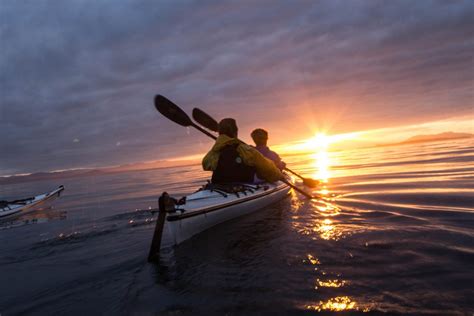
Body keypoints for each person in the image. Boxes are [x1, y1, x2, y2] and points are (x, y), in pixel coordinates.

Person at [202, 118, 283, 184]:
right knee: (262, 171)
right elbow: (268, 168)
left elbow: (205, 165)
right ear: (235, 132)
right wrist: (279, 175)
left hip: (219, 183)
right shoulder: (245, 149)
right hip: (245, 182)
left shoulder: (214, 151)